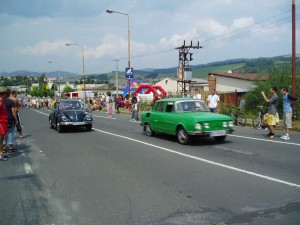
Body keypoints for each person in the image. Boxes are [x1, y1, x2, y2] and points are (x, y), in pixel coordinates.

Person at [0, 87, 8, 161]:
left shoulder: (2, 101)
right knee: (0, 140)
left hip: (3, 122)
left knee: (1, 140)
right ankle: (1, 154)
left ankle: (1, 153)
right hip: (1, 122)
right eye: (5, 93)